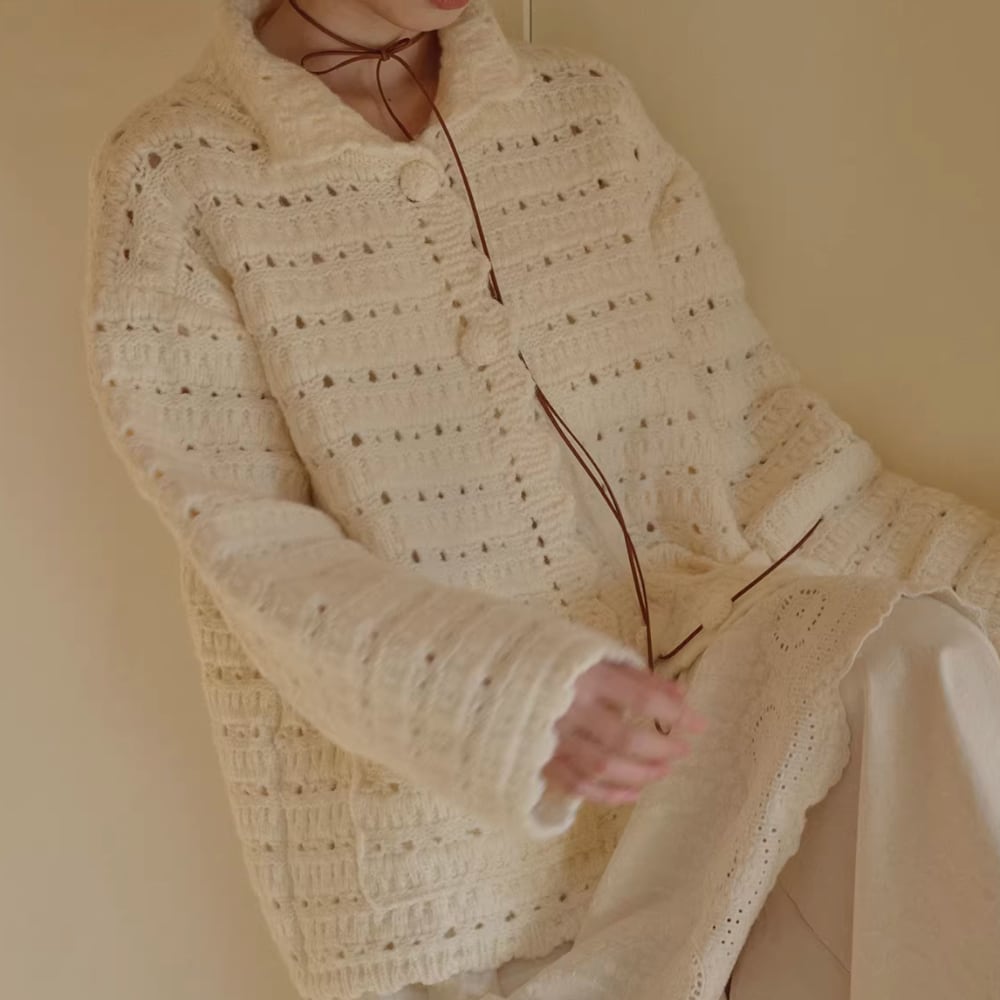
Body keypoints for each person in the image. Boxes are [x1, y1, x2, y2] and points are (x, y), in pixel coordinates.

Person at [81, 1, 1000, 998]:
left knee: (916, 653)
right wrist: (511, 697)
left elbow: (757, 445)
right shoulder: (184, 175)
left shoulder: (585, 113)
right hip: (463, 901)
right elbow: (258, 558)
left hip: (716, 809)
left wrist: (980, 579)